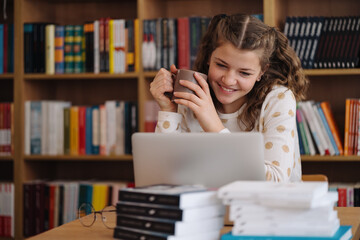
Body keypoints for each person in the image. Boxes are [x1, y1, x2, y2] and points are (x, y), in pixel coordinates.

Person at [149, 13, 309, 182]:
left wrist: (214, 126)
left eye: (244, 73)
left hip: (264, 207)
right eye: (221, 65)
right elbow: (163, 175)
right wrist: (168, 110)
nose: (228, 80)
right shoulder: (193, 94)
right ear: (210, 57)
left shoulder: (278, 99)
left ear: (261, 72)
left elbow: (276, 180)